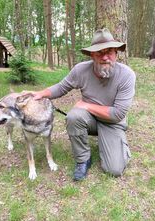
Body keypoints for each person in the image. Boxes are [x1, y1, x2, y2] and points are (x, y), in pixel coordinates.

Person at [29, 28, 136, 181]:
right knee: (74, 116)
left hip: (113, 123)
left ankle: (118, 145)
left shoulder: (127, 75)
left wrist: (86, 105)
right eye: (100, 52)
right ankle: (83, 159)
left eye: (110, 52)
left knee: (114, 169)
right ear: (92, 55)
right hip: (89, 120)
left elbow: (118, 114)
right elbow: (61, 87)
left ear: (116, 54)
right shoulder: (81, 70)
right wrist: (41, 93)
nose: (105, 57)